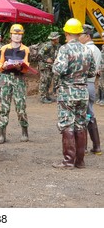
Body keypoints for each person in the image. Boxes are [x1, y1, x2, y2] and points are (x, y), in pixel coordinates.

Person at [52, 18, 96, 169]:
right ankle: (80, 161)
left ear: (67, 32)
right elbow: (92, 72)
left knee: (67, 124)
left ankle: (68, 161)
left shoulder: (64, 49)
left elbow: (58, 70)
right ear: (79, 33)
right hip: (83, 91)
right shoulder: (87, 50)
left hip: (67, 91)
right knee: (80, 124)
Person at [0, 24, 30, 144]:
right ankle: (2, 134)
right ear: (10, 35)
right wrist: (3, 66)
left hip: (18, 78)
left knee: (21, 106)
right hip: (5, 78)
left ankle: (24, 131)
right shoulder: (4, 48)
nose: (16, 36)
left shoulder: (25, 49)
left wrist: (20, 67)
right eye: (15, 34)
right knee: (4, 107)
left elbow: (27, 66)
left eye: (19, 34)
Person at [79, 24, 102, 155]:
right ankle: (96, 146)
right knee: (89, 114)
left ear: (87, 36)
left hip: (85, 84)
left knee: (84, 115)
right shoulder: (96, 49)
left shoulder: (86, 50)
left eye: (80, 35)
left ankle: (85, 147)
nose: (78, 37)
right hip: (91, 85)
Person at [38, 32, 61, 104]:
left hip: (51, 66)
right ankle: (42, 97)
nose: (58, 39)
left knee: (48, 81)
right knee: (44, 81)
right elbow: (40, 54)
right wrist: (46, 59)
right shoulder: (47, 45)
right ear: (54, 39)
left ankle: (47, 95)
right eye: (57, 38)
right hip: (45, 66)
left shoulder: (57, 46)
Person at [97, 33, 104, 106]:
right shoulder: (103, 46)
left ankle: (102, 99)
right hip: (102, 69)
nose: (103, 38)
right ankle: (100, 98)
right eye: (102, 36)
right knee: (100, 83)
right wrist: (99, 67)